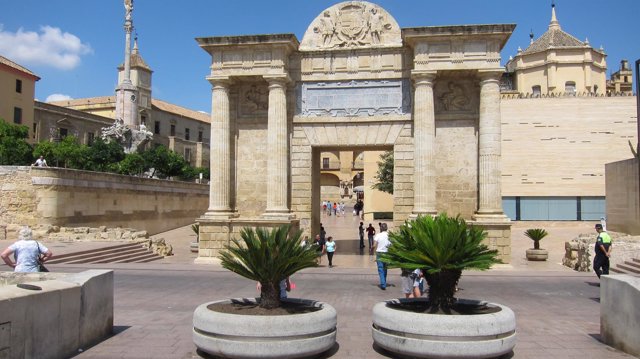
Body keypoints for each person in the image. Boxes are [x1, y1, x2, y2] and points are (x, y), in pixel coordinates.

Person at [373, 223, 391, 290]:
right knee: (385, 268)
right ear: (387, 228)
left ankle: (383, 284)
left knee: (380, 269)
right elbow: (391, 245)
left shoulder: (378, 235)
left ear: (381, 228)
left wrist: (371, 249)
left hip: (379, 253)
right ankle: (384, 282)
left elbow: (374, 245)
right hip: (387, 253)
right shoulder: (389, 235)